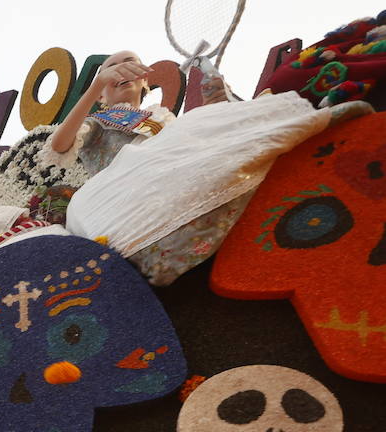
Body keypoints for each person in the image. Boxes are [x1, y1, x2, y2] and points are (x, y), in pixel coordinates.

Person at [52, 50, 359, 285]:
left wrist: (216, 102)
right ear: (102, 94)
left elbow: (194, 147)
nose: (122, 69)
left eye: (131, 61)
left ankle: (313, 119)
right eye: (112, 67)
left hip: (172, 168)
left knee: (214, 128)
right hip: (124, 189)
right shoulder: (95, 122)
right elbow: (58, 146)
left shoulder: (162, 118)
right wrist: (95, 85)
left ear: (145, 79)